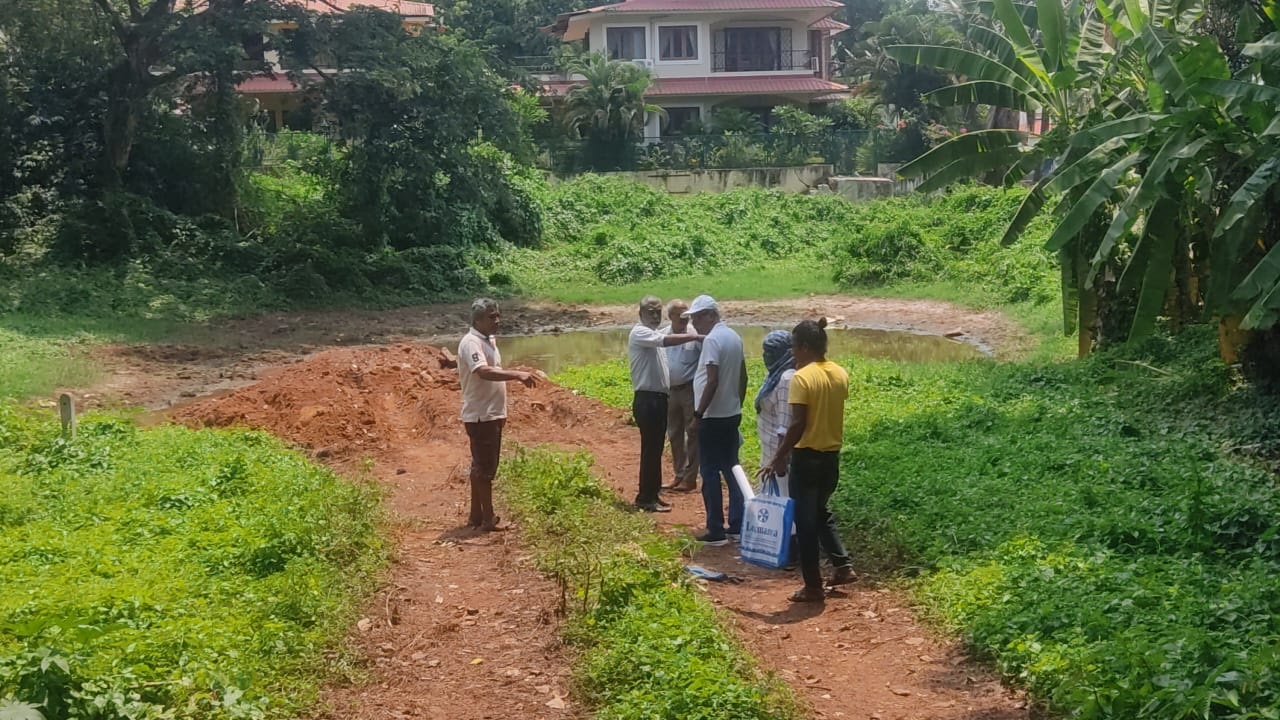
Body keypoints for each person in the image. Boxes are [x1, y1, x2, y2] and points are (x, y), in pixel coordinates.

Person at [766, 318, 856, 602]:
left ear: (805, 347)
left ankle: (813, 586)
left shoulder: (801, 378)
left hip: (806, 460)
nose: (792, 353)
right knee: (819, 512)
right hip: (831, 458)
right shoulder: (840, 373)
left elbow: (797, 424)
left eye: (794, 347)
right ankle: (842, 566)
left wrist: (777, 457)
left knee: (805, 524)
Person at [457, 298, 536, 531]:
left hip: (489, 413)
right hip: (482, 415)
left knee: (479, 466)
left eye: (497, 315)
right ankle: (488, 519)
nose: (497, 320)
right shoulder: (471, 343)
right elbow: (482, 371)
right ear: (477, 319)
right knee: (486, 469)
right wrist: (516, 374)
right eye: (492, 317)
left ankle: (477, 516)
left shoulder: (487, 340)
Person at [629, 296, 703, 512]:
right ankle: (645, 497)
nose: (654, 315)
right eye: (650, 311)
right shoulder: (640, 332)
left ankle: (652, 494)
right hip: (648, 399)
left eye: (657, 311)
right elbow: (666, 341)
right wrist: (695, 336)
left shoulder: (654, 334)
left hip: (659, 399)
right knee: (651, 450)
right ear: (640, 313)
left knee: (656, 448)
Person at [685, 295, 748, 546]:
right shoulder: (734, 337)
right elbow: (742, 376)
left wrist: (698, 414)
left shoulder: (712, 340)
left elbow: (712, 380)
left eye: (699, 317)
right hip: (730, 414)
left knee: (709, 472)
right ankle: (737, 524)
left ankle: (715, 528)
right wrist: (736, 402)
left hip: (711, 418)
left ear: (711, 315)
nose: (695, 323)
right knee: (732, 468)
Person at [661, 299, 702, 493]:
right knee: (674, 433)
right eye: (679, 314)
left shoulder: (694, 335)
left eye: (686, 314)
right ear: (670, 317)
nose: (684, 318)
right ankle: (678, 474)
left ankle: (690, 477)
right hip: (670, 391)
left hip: (688, 390)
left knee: (692, 433)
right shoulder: (662, 335)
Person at [755, 330, 796, 498]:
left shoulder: (787, 379)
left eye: (771, 352)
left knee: (781, 505)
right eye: (765, 351)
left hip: (778, 458)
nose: (766, 356)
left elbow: (785, 425)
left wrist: (778, 461)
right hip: (768, 451)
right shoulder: (775, 374)